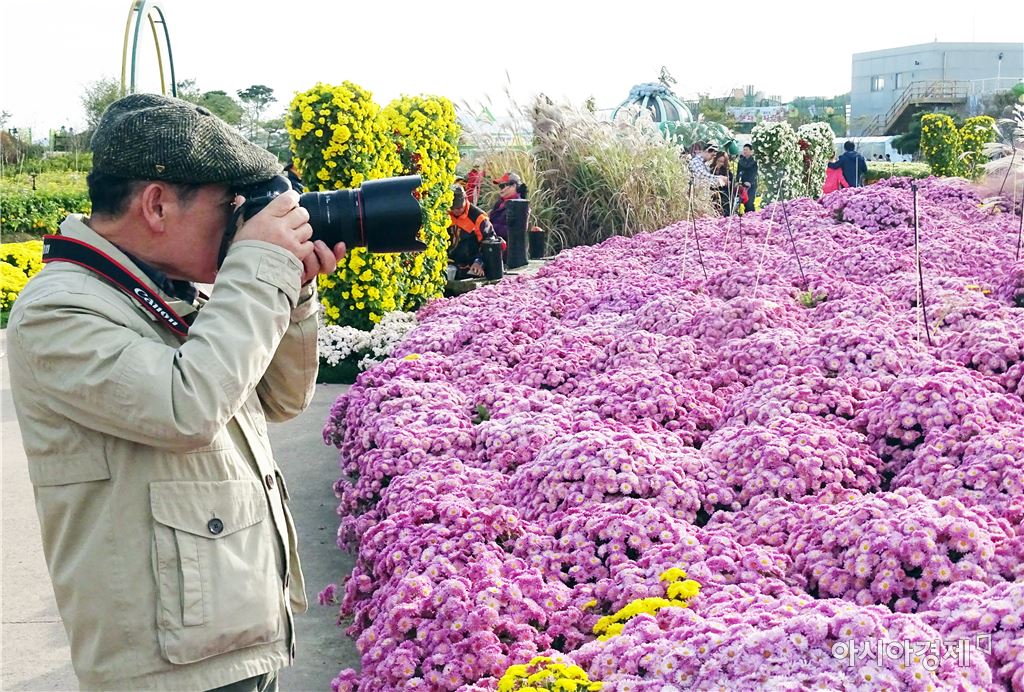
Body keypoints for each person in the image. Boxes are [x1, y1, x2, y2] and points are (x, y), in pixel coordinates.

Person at [6, 93, 347, 692]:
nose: (243, 223)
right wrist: (260, 266)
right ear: (158, 204)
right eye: (231, 206)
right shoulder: (58, 312)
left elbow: (282, 400)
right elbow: (187, 407)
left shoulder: (169, 293)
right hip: (165, 668)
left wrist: (291, 291)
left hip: (234, 637)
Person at [448, 183, 494, 278]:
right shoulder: (445, 214)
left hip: (471, 266)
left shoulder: (479, 218)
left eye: (459, 207)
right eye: (452, 207)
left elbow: (490, 242)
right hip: (449, 263)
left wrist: (479, 262)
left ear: (466, 199)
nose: (456, 210)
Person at [489, 172, 522, 246]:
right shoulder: (500, 202)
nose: (500, 189)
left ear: (513, 186)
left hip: (511, 251)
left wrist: (490, 227)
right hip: (497, 247)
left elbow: (515, 231)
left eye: (502, 186)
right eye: (500, 186)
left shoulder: (520, 205)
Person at [709, 151, 734, 216]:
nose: (720, 163)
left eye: (722, 162)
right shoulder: (710, 170)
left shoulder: (727, 172)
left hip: (724, 198)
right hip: (713, 197)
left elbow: (730, 186)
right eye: (719, 161)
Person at [736, 143, 758, 213]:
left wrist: (750, 182)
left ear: (751, 151)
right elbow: (738, 172)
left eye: (746, 150)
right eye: (744, 150)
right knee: (743, 201)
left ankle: (751, 216)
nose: (745, 151)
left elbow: (754, 173)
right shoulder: (741, 161)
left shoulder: (754, 162)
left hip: (751, 184)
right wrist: (737, 181)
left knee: (750, 202)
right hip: (742, 184)